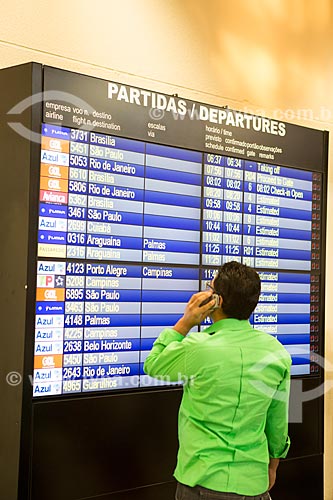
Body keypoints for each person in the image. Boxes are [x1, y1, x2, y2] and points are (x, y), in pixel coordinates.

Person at [144, 261, 291, 500]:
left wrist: (186, 321)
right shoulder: (277, 352)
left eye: (209, 289)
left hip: (203, 485)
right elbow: (278, 422)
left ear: (217, 301)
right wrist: (272, 467)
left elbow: (154, 364)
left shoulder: (199, 348)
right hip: (254, 485)